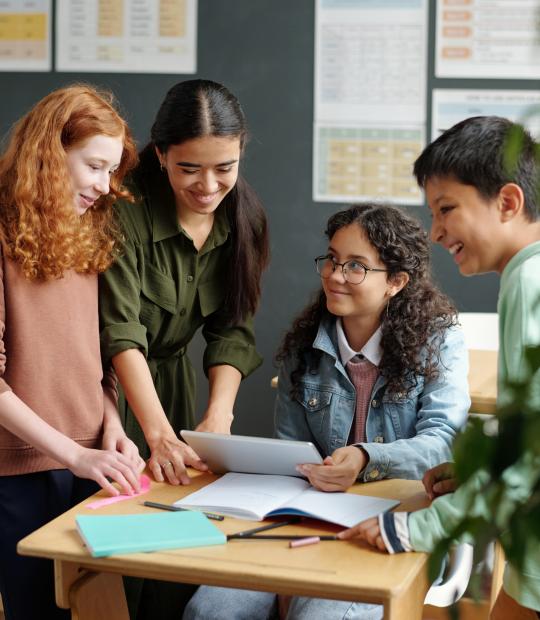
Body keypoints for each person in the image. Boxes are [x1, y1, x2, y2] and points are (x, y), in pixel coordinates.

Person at [183, 202, 470, 620]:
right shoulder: (304, 344)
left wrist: (367, 458)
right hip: (307, 520)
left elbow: (443, 442)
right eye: (333, 260)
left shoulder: (439, 341)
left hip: (393, 525)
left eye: (356, 266)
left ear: (396, 281)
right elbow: (290, 450)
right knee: (211, 610)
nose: (335, 275)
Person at [340, 116, 540, 620]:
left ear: (508, 202)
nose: (435, 232)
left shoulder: (528, 281)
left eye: (447, 209)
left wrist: (414, 528)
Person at [98, 79, 269, 619]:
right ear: (160, 152)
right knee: (117, 555)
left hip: (174, 391)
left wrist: (218, 419)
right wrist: (156, 433)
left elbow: (231, 331)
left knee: (179, 553)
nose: (209, 185)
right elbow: (119, 329)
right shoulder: (123, 210)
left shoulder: (245, 221)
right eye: (189, 168)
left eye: (225, 167)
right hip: (109, 396)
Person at [0, 84, 145, 620]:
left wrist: (110, 426)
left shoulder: (84, 233)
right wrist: (76, 453)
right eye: (94, 166)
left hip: (92, 467)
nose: (105, 187)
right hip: (22, 470)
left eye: (112, 172)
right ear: (49, 151)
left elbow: (94, 360)